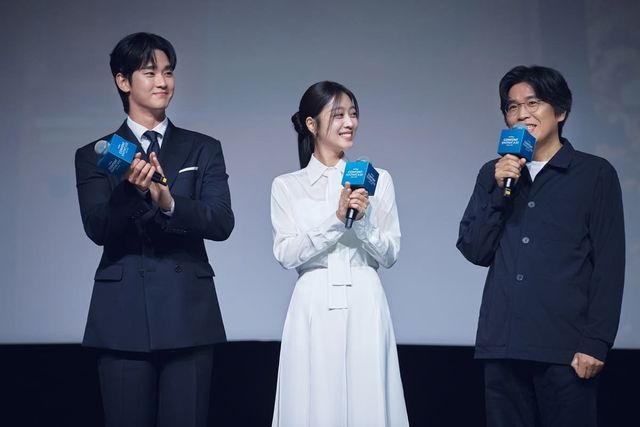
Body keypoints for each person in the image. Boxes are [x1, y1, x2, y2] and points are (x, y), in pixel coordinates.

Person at [74, 32, 234, 427]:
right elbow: (97, 227)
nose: (163, 81)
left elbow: (220, 221)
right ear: (123, 81)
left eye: (168, 72)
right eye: (150, 72)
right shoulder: (96, 153)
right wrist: (130, 191)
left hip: (188, 312)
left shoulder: (202, 147)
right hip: (122, 315)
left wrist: (169, 203)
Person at [457, 65, 625, 427]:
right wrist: (499, 193)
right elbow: (475, 249)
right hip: (503, 344)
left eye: (532, 103)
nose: (521, 114)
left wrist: (596, 341)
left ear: (560, 111)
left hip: (565, 348)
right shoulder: (494, 173)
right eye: (512, 107)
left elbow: (609, 265)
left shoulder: (594, 174)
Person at [270, 81, 409, 427]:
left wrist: (361, 223)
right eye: (338, 115)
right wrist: (336, 220)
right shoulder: (288, 186)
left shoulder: (378, 180)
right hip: (313, 303)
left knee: (368, 398)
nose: (349, 123)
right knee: (313, 400)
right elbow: (286, 253)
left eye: (353, 114)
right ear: (312, 124)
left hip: (365, 298)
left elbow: (390, 253)